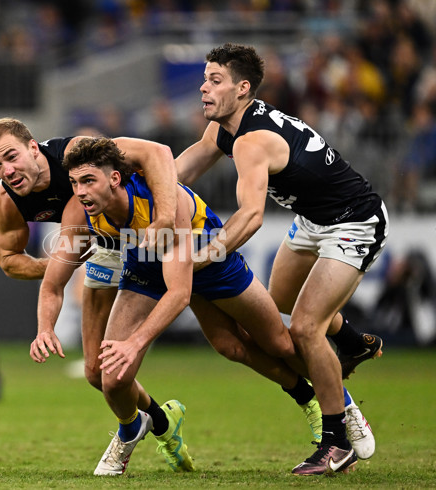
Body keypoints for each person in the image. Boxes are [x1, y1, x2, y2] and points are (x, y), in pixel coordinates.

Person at [31, 137, 374, 476]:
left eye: (89, 181)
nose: (80, 191)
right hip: (146, 263)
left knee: (279, 344)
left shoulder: (163, 204)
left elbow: (179, 293)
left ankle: (339, 404)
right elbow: (53, 282)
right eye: (75, 182)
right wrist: (45, 328)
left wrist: (134, 343)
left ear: (115, 178)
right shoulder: (80, 210)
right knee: (115, 377)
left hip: (208, 258)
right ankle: (131, 429)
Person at [176, 43, 388, 475]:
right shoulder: (224, 128)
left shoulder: (253, 141)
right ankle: (349, 341)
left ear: (243, 89)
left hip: (354, 220)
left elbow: (251, 217)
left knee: (307, 328)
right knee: (280, 309)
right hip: (313, 220)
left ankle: (335, 441)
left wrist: (198, 259)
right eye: (204, 78)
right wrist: (127, 185)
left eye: (215, 81)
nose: (203, 88)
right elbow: (180, 171)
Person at [0, 118, 194, 474]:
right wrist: (61, 265)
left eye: (11, 157)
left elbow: (157, 152)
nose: (7, 170)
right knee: (98, 373)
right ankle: (160, 421)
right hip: (102, 249)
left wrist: (165, 218)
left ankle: (314, 407)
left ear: (34, 148)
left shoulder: (76, 152)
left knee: (232, 343)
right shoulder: (6, 201)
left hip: (145, 231)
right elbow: (9, 262)